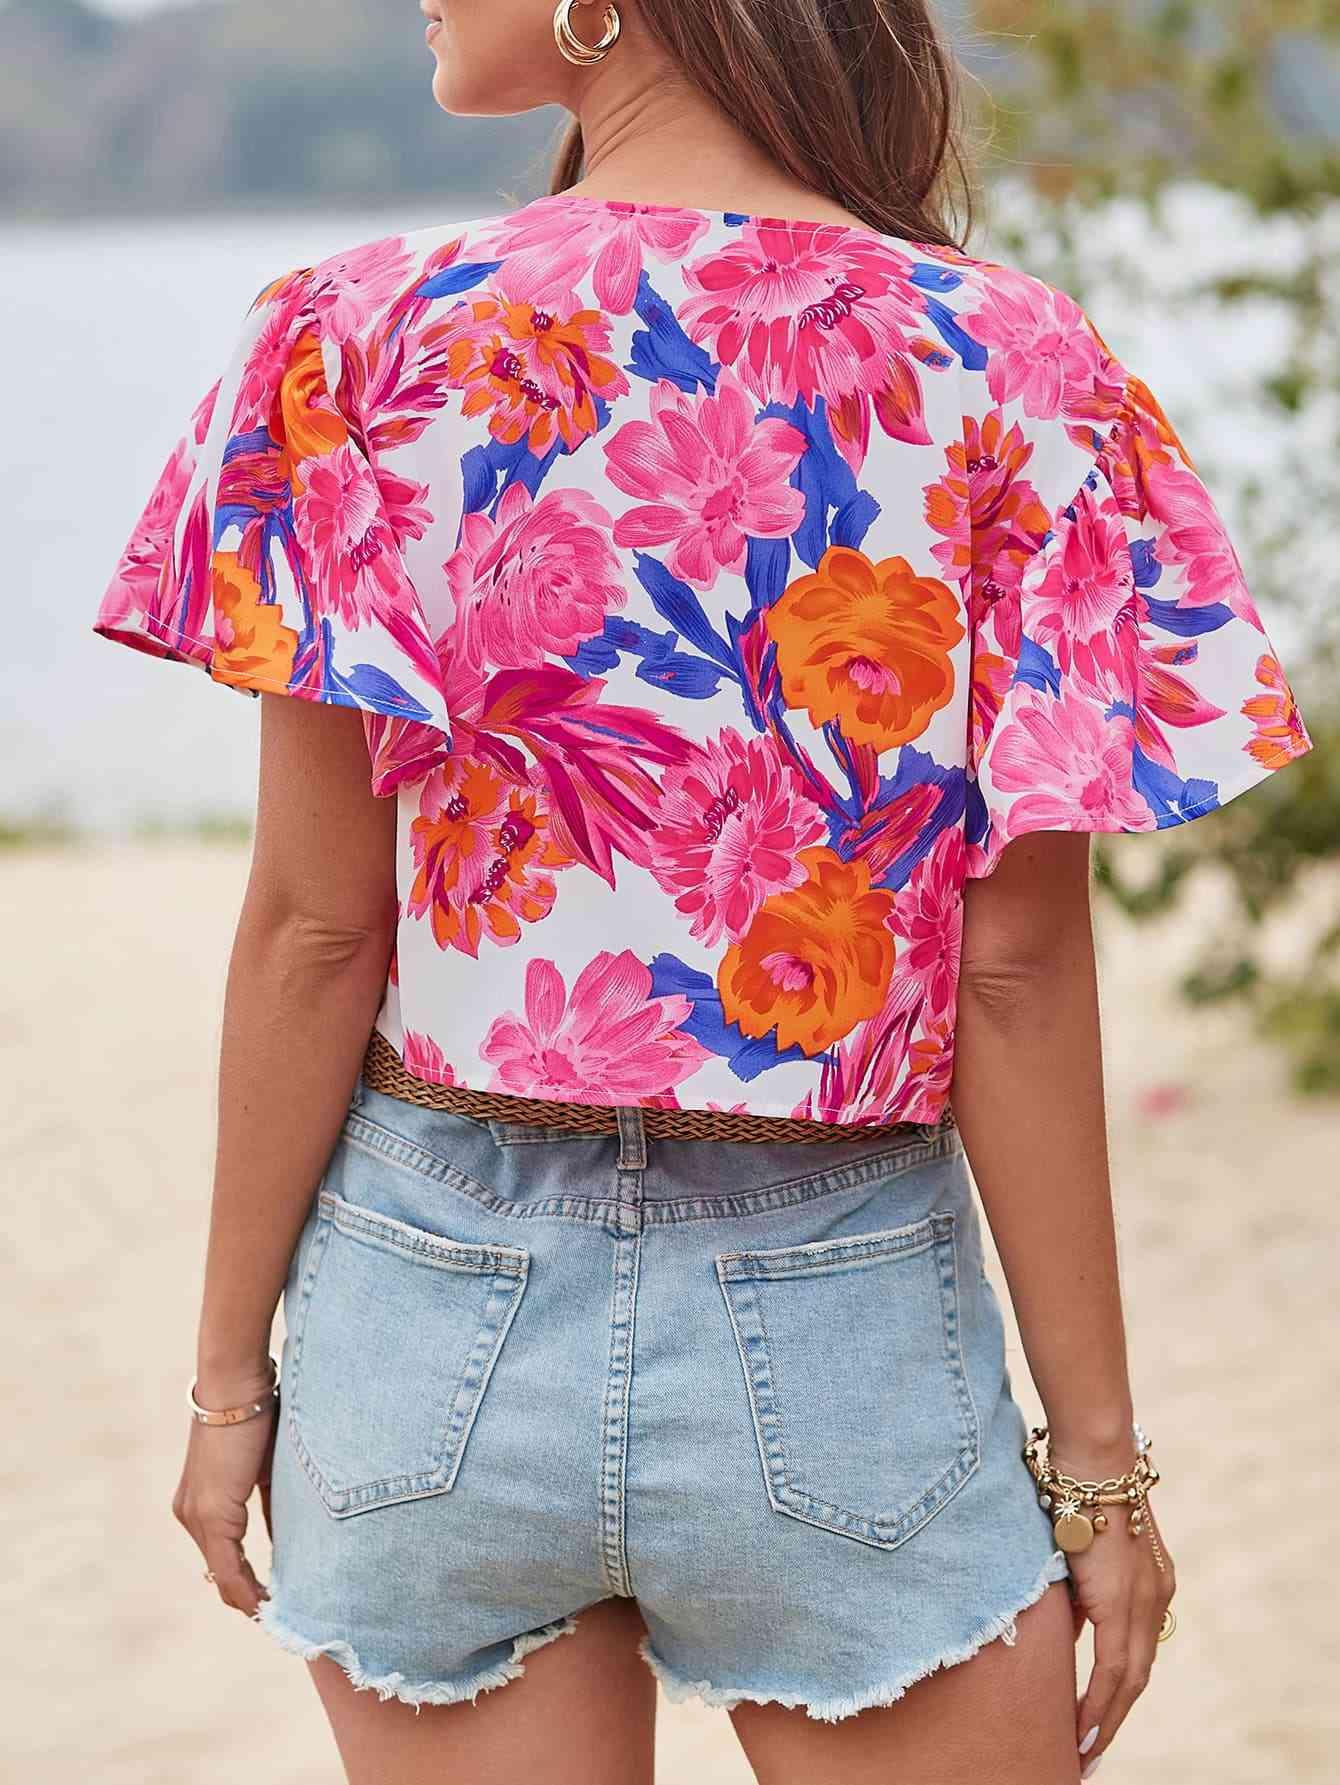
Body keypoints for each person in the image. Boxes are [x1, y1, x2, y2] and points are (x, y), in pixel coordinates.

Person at [94, 2, 1314, 1782]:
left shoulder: (353, 343)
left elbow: (316, 929)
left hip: (426, 1302)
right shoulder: (1005, 366)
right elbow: (1020, 977)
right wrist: (1105, 1471)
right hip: (839, 1303)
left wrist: (228, 1384)